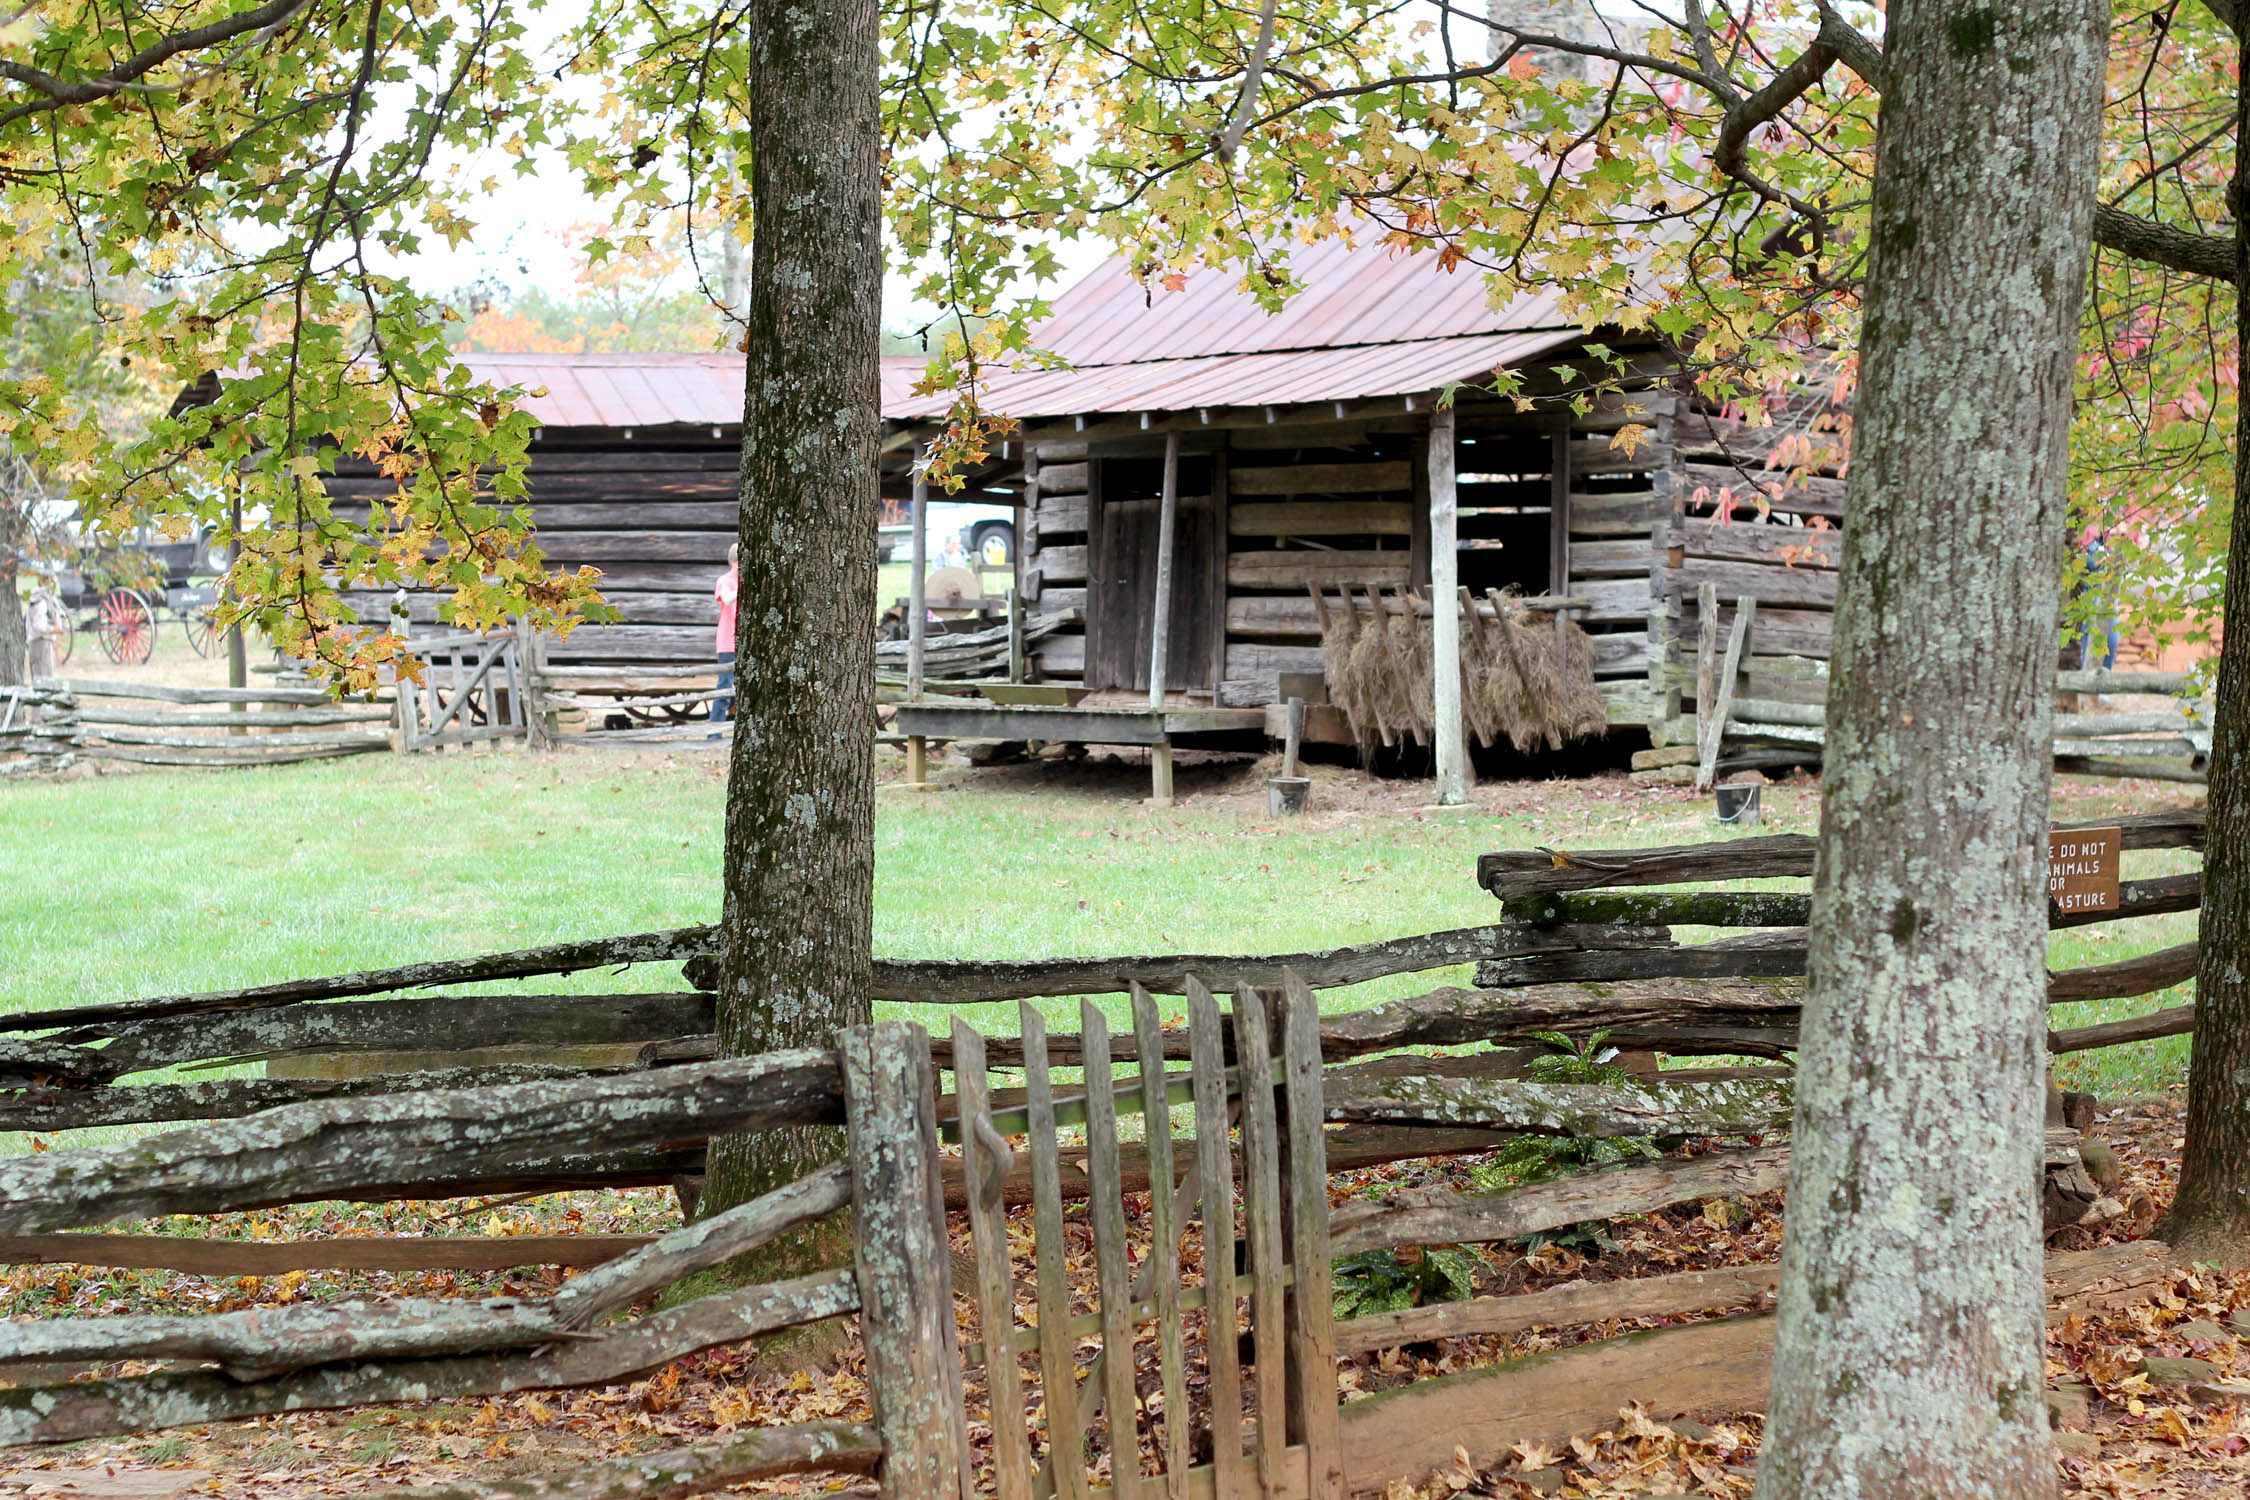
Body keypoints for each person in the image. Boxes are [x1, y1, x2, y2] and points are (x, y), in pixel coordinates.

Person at [711, 544, 739, 732]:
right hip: (728, 642)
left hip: (744, 643)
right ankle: (714, 731)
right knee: (724, 688)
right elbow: (727, 599)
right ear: (732, 562)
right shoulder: (725, 581)